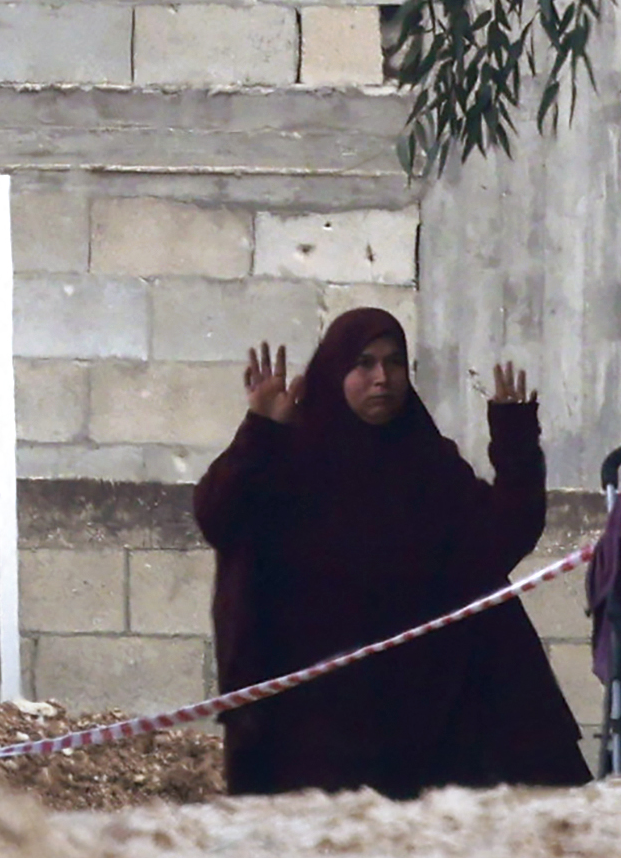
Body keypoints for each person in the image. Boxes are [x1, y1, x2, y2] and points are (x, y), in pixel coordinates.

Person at [191, 307, 584, 795]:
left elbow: (497, 542)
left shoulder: (424, 459)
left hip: (424, 712)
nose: (382, 378)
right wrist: (260, 430)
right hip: (315, 723)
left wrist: (515, 441)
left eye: (394, 362)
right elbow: (220, 518)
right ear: (336, 372)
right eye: (364, 363)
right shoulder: (290, 454)